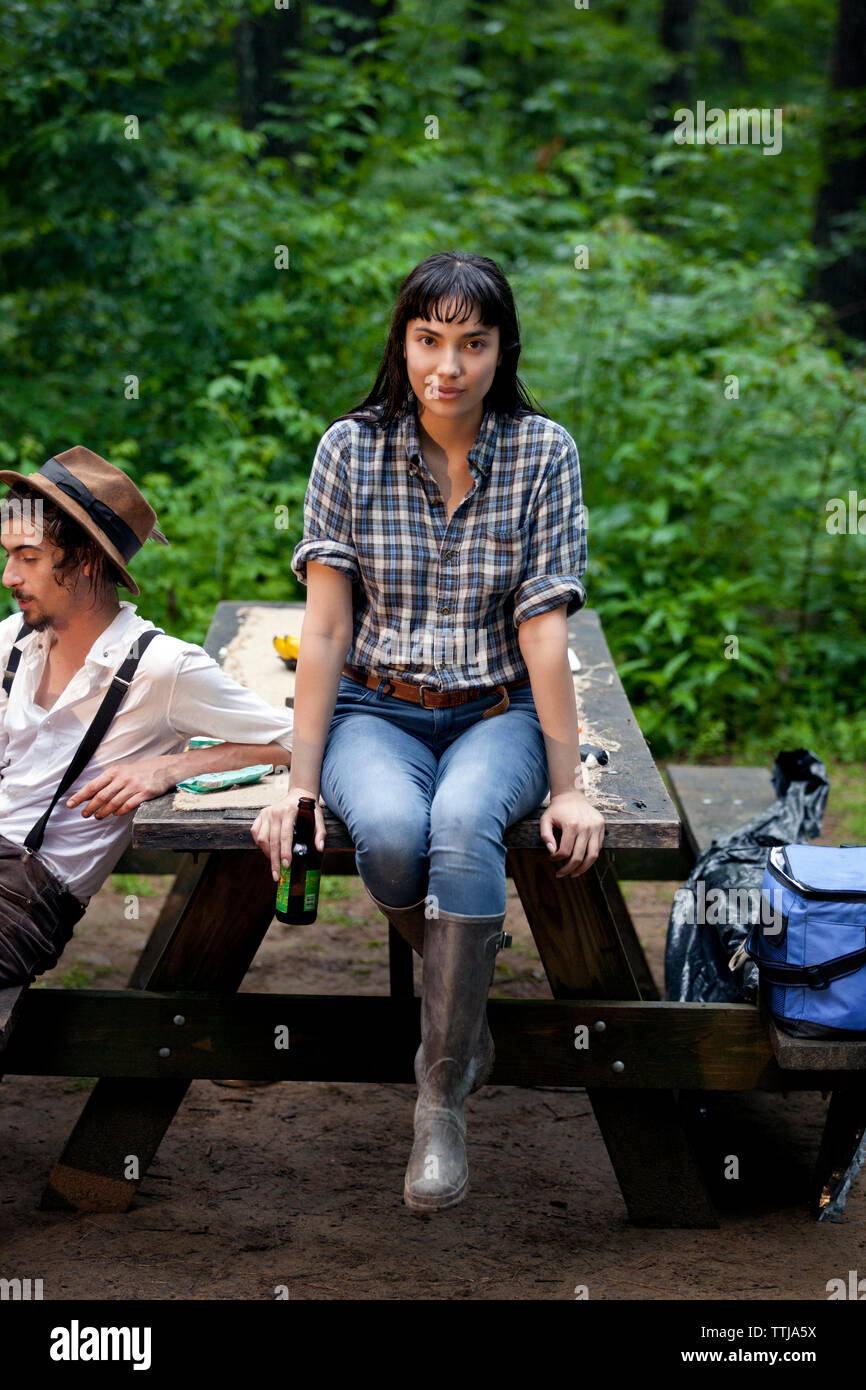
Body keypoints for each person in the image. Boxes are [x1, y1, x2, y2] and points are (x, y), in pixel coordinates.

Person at [251, 251, 605, 1212]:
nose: (447, 365)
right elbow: (324, 630)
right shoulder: (349, 450)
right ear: (403, 342)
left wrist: (570, 785)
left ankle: (439, 1098)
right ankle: (468, 1017)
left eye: (473, 343)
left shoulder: (543, 452)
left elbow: (544, 631)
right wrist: (298, 778)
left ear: (502, 349)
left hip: (499, 712)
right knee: (397, 839)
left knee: (461, 828)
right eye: (429, 339)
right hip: (376, 707)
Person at [0, 445, 294, 988]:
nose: (8, 576)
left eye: (27, 557)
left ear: (86, 559)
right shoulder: (12, 642)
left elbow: (303, 738)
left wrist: (173, 767)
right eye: (8, 555)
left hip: (21, 899)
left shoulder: (161, 668)